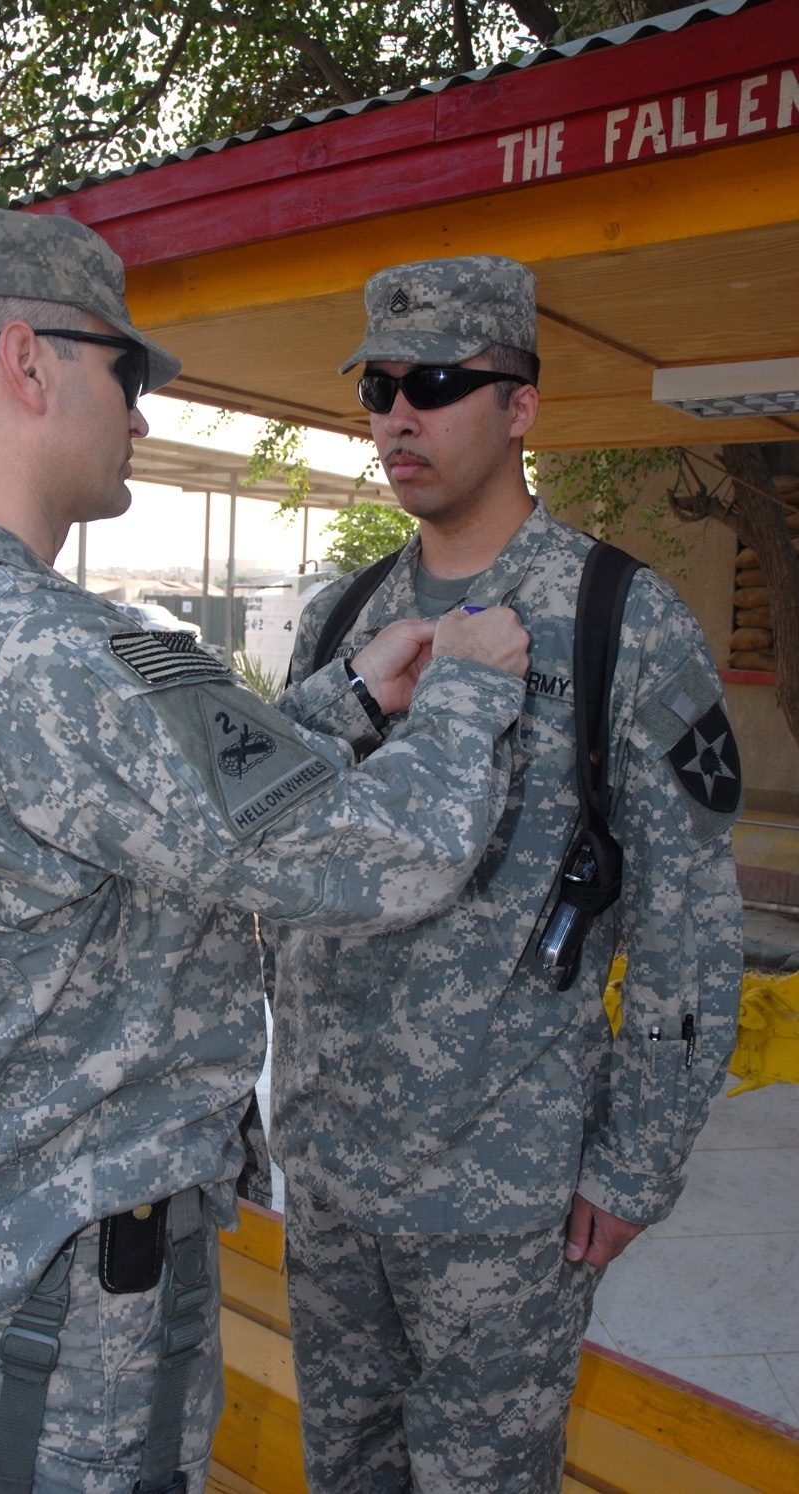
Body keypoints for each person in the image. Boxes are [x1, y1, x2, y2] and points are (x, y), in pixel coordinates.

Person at [0, 202, 531, 1494]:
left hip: (4, 1237)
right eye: (126, 368)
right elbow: (383, 851)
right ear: (27, 361)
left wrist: (355, 695)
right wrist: (476, 686)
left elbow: (166, 812)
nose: (143, 412)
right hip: (80, 1291)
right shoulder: (50, 656)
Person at [269, 255, 744, 1493]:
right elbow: (264, 855)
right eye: (377, 385)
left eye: (433, 382)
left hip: (501, 1197)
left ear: (520, 407)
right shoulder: (341, 621)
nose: (395, 417)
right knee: (347, 1474)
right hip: (326, 1179)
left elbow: (689, 931)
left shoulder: (616, 620)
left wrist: (635, 1164)